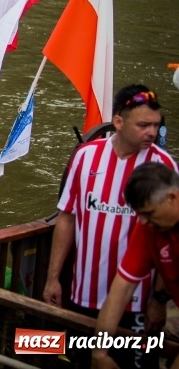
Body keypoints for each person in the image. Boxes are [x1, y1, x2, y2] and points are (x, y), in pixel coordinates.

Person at [43, 85, 177, 368]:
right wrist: (53, 277)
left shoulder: (163, 167)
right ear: (118, 121)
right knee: (83, 359)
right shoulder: (86, 156)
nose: (152, 133)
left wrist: (159, 299)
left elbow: (166, 239)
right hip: (85, 292)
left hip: (139, 302)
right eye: (143, 125)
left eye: (155, 125)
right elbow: (66, 217)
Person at [92, 163, 179, 368]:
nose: (143, 222)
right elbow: (121, 290)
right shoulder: (149, 227)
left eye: (149, 213)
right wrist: (99, 353)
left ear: (173, 198)